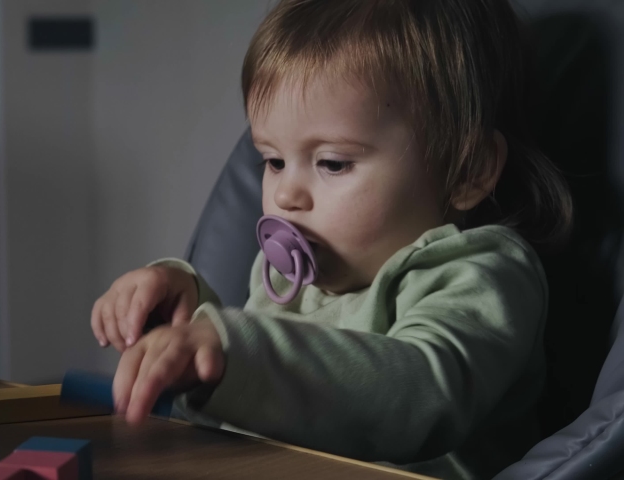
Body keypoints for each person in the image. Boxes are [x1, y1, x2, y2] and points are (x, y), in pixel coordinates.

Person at [90, 1, 573, 478]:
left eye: (333, 163)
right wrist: (187, 317)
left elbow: (419, 397)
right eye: (273, 161)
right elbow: (264, 375)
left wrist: (234, 352)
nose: (285, 193)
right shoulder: (287, 274)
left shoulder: (481, 271)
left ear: (467, 170)